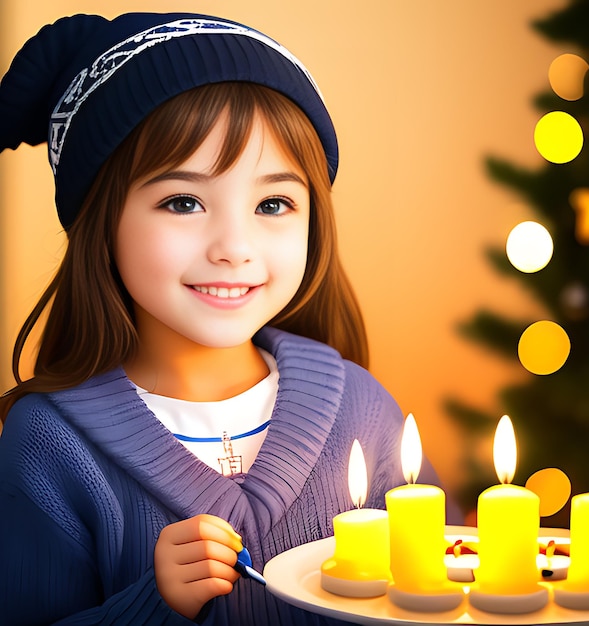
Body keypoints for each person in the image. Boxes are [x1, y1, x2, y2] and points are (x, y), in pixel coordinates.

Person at [0, 12, 458, 625]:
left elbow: (449, 584)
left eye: (273, 203)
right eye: (183, 202)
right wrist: (151, 604)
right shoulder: (49, 444)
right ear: (100, 221)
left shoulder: (362, 408)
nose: (233, 246)